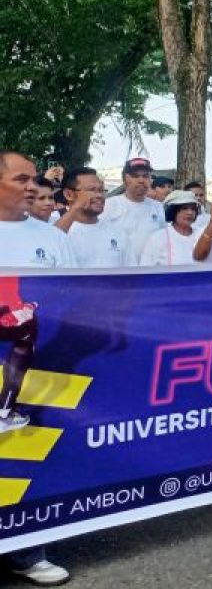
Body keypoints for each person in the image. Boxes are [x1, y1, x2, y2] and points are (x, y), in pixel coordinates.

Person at [0, 151, 72, 585]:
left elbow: (75, 301)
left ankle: (27, 551)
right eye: (21, 178)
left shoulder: (50, 236)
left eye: (35, 179)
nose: (32, 186)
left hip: (34, 373)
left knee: (23, 459)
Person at [55, 168, 136, 268]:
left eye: (101, 190)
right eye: (91, 190)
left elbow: (132, 277)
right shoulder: (55, 229)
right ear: (69, 194)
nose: (99, 195)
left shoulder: (118, 233)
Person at [99, 157, 165, 257]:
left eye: (146, 176)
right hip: (120, 269)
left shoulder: (158, 207)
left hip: (150, 269)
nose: (141, 180)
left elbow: (162, 240)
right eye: (135, 176)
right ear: (125, 179)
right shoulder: (110, 205)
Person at [139, 190, 203, 267]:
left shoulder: (202, 235)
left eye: (193, 209)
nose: (190, 213)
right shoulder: (158, 237)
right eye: (184, 208)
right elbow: (145, 268)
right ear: (173, 211)